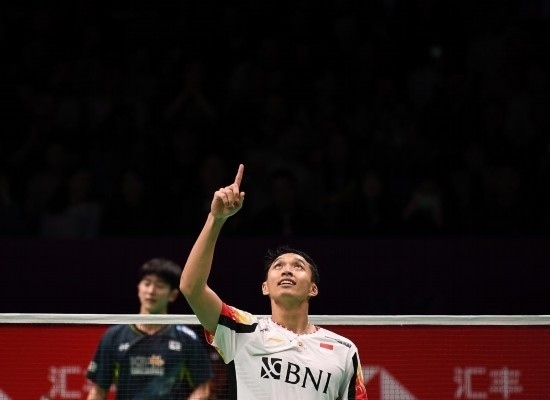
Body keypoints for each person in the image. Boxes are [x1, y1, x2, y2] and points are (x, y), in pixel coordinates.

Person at [179, 164, 368, 399]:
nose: (287, 270)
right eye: (278, 266)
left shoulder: (344, 350)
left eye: (298, 266)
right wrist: (215, 219)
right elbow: (191, 288)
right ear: (265, 287)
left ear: (313, 288)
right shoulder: (242, 331)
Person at [86, 258, 213, 400]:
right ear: (138, 288)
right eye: (147, 284)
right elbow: (98, 391)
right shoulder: (114, 336)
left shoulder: (186, 339)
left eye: (160, 286)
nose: (151, 291)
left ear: (173, 295)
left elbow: (203, 388)